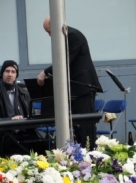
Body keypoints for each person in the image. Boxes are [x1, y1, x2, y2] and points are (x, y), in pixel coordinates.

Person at [36, 16, 102, 148]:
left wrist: (45, 72)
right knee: (77, 124)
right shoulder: (67, 36)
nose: (50, 35)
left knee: (85, 125)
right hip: (75, 89)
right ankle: (80, 150)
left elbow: (65, 60)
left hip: (83, 87)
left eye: (50, 32)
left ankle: (88, 151)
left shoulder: (73, 36)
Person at [0, 60, 43, 160]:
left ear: (16, 75)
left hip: (25, 134)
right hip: (3, 138)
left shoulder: (24, 94)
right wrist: (11, 119)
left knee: (43, 145)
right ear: (2, 73)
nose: (10, 74)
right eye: (7, 71)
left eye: (13, 72)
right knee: (16, 146)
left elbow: (31, 115)